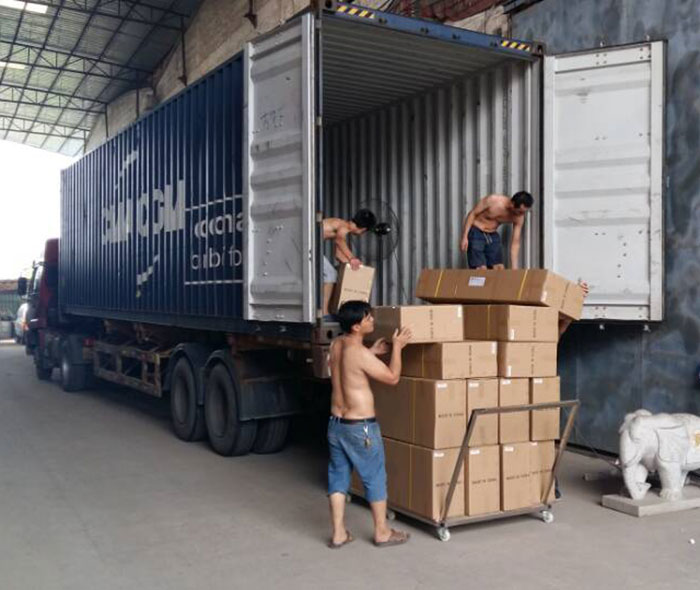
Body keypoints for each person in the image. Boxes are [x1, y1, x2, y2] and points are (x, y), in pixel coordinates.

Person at [327, 300, 412, 549]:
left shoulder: (336, 344)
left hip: (336, 424)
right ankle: (382, 532)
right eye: (367, 318)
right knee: (374, 477)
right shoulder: (360, 353)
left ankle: (339, 533)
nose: (372, 320)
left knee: (338, 476)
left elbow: (346, 366)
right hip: (360, 427)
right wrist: (398, 347)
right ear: (356, 326)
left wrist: (371, 352)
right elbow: (392, 378)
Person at [459, 191, 534, 270]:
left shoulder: (519, 218)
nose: (521, 214)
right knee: (481, 269)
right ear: (512, 204)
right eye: (520, 211)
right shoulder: (492, 201)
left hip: (492, 234)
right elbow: (472, 214)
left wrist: (514, 268)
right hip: (476, 231)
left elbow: (515, 243)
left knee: (499, 268)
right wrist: (465, 236)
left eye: (524, 212)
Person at [322, 209, 377, 316]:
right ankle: (324, 313)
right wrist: (352, 258)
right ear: (363, 229)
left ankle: (325, 311)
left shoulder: (341, 229)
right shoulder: (343, 226)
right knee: (331, 274)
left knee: (330, 275)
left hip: (310, 244)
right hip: (308, 243)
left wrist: (353, 269)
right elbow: (339, 241)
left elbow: (338, 254)